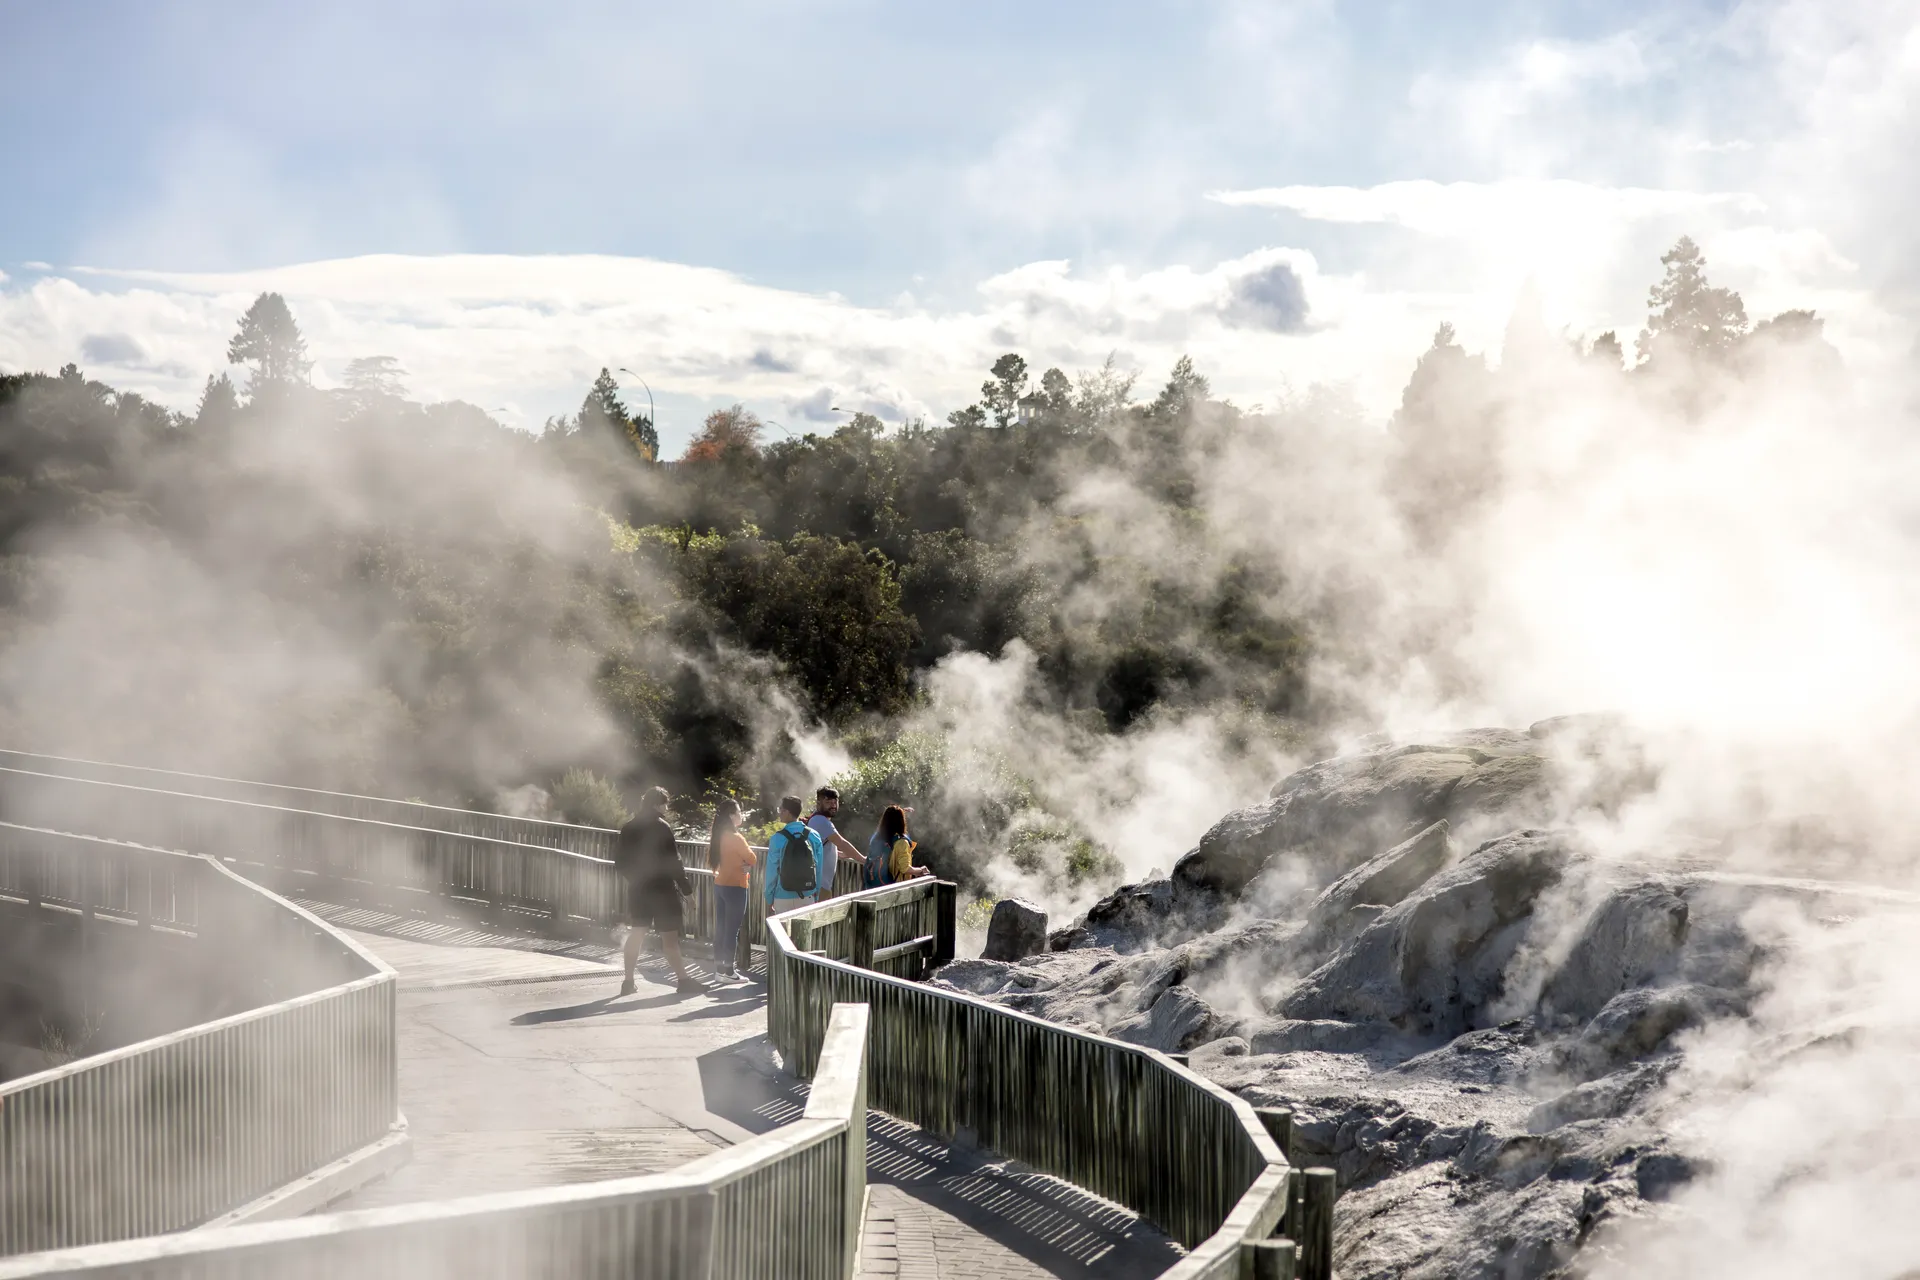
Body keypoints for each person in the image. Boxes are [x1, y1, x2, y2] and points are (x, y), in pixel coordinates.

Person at [615, 788, 708, 997]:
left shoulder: (628, 827)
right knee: (669, 939)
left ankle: (628, 982)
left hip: (638, 890)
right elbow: (674, 862)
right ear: (658, 804)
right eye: (665, 803)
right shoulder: (662, 826)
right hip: (663, 890)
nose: (667, 808)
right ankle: (683, 981)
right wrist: (688, 892)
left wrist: (636, 880)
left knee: (637, 933)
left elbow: (619, 863)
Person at [708, 798, 756, 980]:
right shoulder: (736, 838)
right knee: (732, 931)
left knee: (721, 928)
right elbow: (752, 858)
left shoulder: (718, 835)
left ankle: (719, 970)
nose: (741, 815)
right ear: (731, 816)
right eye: (738, 812)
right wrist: (747, 864)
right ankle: (729, 971)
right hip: (736, 886)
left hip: (720, 885)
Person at [765, 794, 827, 912]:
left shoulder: (777, 838)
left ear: (787, 812)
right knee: (804, 930)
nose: (779, 813)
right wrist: (816, 893)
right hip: (807, 895)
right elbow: (818, 869)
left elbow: (772, 871)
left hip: (782, 896)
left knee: (781, 931)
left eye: (781, 810)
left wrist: (769, 897)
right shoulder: (814, 836)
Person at [806, 786, 865, 898]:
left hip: (816, 884)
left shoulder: (815, 819)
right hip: (820, 885)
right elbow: (841, 842)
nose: (833, 805)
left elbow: (821, 846)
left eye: (835, 801)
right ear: (818, 803)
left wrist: (837, 853)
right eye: (828, 802)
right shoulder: (821, 821)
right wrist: (863, 859)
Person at [877, 804, 932, 882]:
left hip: (881, 884)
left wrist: (900, 811)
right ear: (901, 821)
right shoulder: (902, 843)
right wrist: (920, 870)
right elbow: (905, 868)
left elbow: (891, 817)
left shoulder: (881, 839)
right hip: (896, 887)